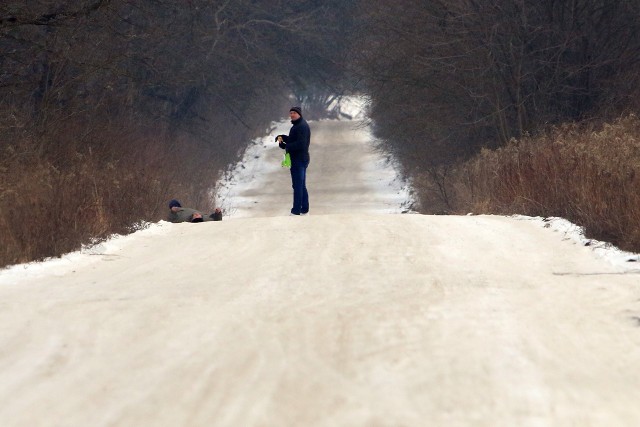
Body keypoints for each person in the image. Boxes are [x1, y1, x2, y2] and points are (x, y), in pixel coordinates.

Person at [275, 106, 310, 215]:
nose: (292, 115)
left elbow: (301, 144)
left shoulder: (301, 126)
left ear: (299, 114)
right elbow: (294, 140)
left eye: (294, 113)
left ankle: (296, 211)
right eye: (291, 113)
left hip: (299, 159)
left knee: (298, 185)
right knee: (300, 185)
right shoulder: (297, 126)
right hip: (298, 158)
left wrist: (287, 146)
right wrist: (283, 138)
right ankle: (304, 209)